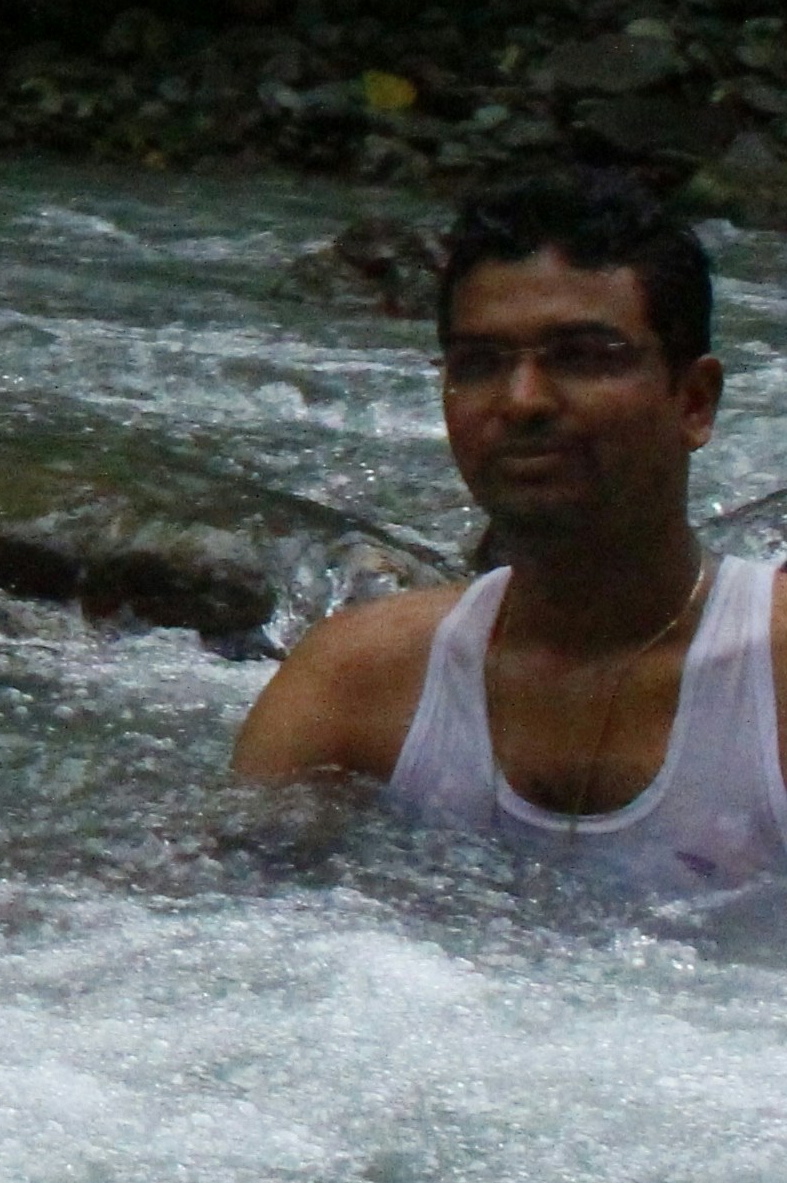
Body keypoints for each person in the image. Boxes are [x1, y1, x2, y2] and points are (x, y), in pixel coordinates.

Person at [232, 165, 780, 896]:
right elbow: (208, 910)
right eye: (481, 364)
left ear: (694, 401)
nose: (522, 401)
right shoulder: (357, 683)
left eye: (582, 357)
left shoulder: (772, 677)